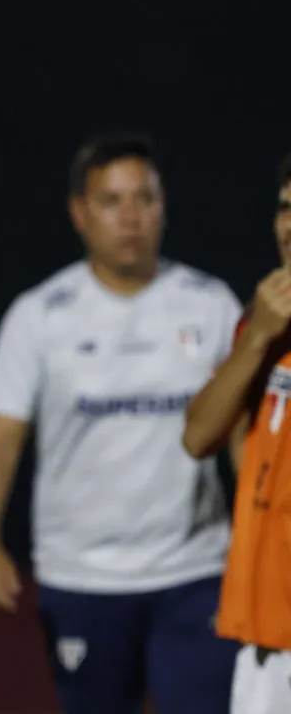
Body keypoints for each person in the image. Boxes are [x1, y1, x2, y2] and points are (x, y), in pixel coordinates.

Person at [0, 132, 242, 714]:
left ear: (164, 207)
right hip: (83, 577)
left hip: (195, 573)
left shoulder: (213, 305)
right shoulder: (39, 315)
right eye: (112, 200)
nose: (131, 217)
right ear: (79, 212)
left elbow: (245, 437)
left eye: (145, 198)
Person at [183, 152, 291, 713]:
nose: (290, 226)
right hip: (263, 631)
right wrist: (257, 338)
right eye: (284, 208)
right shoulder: (262, 320)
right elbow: (199, 437)